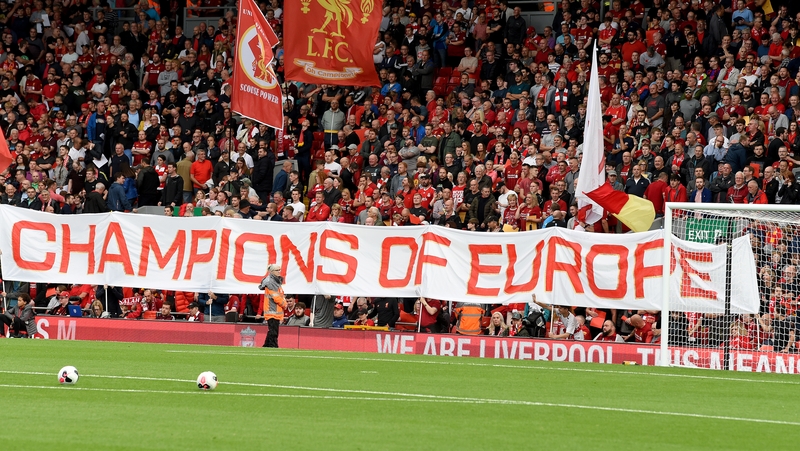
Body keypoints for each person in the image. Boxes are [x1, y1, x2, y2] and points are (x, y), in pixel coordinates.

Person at [257, 263, 287, 347]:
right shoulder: (271, 282)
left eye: (279, 269)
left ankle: (266, 346)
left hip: (274, 311)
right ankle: (273, 346)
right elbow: (276, 297)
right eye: (277, 270)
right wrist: (284, 304)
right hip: (272, 311)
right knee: (273, 331)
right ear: (272, 271)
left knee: (272, 331)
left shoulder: (274, 281)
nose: (279, 272)